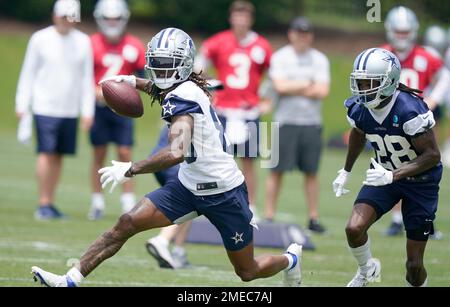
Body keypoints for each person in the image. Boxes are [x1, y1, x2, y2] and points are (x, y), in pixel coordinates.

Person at [31, 28, 302, 287]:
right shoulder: (182, 87)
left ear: (182, 65)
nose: (161, 71)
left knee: (247, 271)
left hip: (224, 192)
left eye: (167, 64)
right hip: (187, 187)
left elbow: (176, 152)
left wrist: (131, 169)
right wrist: (133, 81)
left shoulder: (184, 97)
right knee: (127, 223)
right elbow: (162, 90)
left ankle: (290, 260)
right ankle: (70, 279)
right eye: (157, 64)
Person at [333, 48, 442, 287]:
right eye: (359, 82)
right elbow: (358, 133)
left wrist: (392, 175)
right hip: (382, 174)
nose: (362, 89)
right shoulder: (361, 108)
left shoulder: (409, 109)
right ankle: (367, 270)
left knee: (413, 267)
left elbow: (433, 155)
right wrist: (346, 171)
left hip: (420, 184)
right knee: (354, 228)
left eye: (369, 83)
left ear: (388, 81)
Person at [15, 0, 95, 220]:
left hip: (69, 109)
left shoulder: (83, 42)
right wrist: (22, 103)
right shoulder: (40, 39)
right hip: (44, 106)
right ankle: (43, 202)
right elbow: (28, 73)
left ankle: (50, 201)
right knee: (46, 152)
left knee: (59, 156)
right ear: (54, 16)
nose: (66, 22)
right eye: (63, 17)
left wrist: (87, 111)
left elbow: (86, 78)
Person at [194, 1, 273, 219]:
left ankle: (251, 205)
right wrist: (206, 90)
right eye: (237, 16)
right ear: (231, 18)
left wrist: (266, 100)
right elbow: (198, 65)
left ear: (251, 19)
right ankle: (217, 204)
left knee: (248, 160)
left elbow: (273, 76)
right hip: (223, 111)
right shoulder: (219, 41)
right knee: (218, 160)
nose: (241, 21)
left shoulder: (261, 45)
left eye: (245, 16)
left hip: (248, 112)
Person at [381, 6, 449, 237]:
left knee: (426, 170)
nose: (402, 36)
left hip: (420, 124)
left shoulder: (425, 56)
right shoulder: (381, 54)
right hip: (392, 123)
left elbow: (444, 76)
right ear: (390, 31)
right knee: (393, 167)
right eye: (398, 32)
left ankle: (426, 219)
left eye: (405, 31)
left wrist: (433, 100)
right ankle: (396, 218)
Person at [145, 81, 225, 269]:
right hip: (173, 163)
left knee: (194, 207)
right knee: (193, 200)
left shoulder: (185, 104)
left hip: (165, 162)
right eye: (212, 91)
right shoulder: (196, 108)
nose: (215, 95)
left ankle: (178, 252)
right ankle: (163, 240)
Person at [264, 17, 330, 233]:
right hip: (284, 121)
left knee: (311, 171)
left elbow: (323, 91)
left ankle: (313, 217)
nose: (302, 37)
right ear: (291, 34)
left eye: (306, 33)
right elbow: (280, 87)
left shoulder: (320, 59)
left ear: (311, 36)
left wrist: (295, 86)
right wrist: (308, 84)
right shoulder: (281, 57)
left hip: (311, 123)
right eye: (298, 33)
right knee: (276, 171)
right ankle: (269, 214)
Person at [88, 0, 146, 220]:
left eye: (116, 18)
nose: (112, 22)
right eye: (108, 18)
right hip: (98, 107)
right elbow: (83, 75)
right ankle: (97, 201)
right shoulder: (92, 44)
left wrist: (129, 97)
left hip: (124, 111)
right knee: (99, 154)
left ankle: (128, 202)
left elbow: (143, 78)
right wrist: (93, 91)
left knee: (125, 153)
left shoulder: (134, 45)